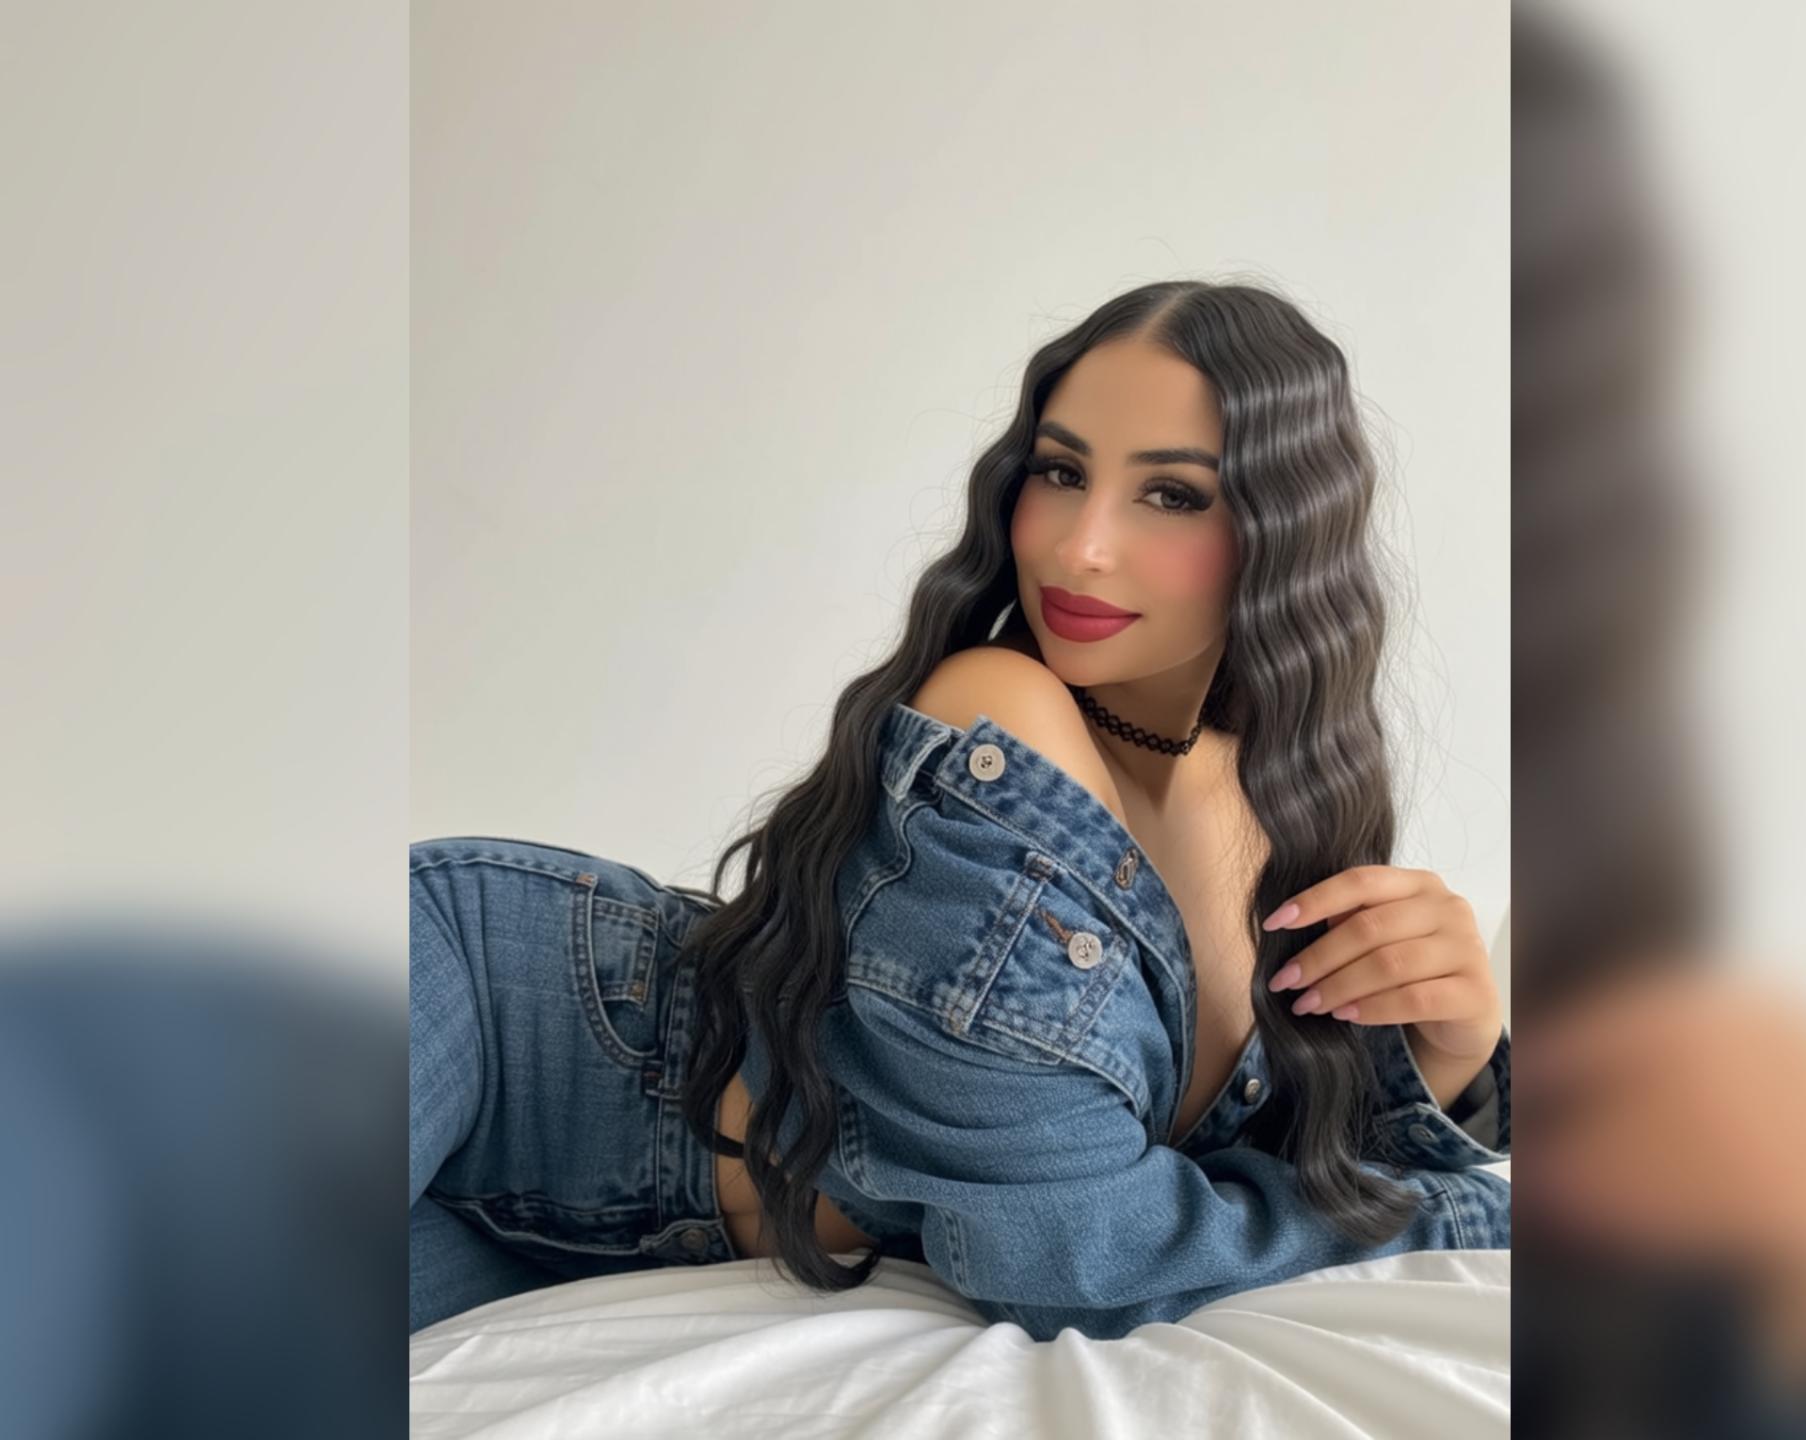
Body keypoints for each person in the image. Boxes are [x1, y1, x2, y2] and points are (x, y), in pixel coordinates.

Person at [410, 279, 1511, 1340]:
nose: (1078, 546)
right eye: (1061, 472)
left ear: (1287, 528)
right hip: (487, 1009)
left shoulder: (1279, 809)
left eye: (1172, 494)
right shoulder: (1000, 716)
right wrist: (1480, 1215)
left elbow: (1267, 1180)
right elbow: (1074, 1260)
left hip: (587, 1234)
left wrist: (1452, 1056)